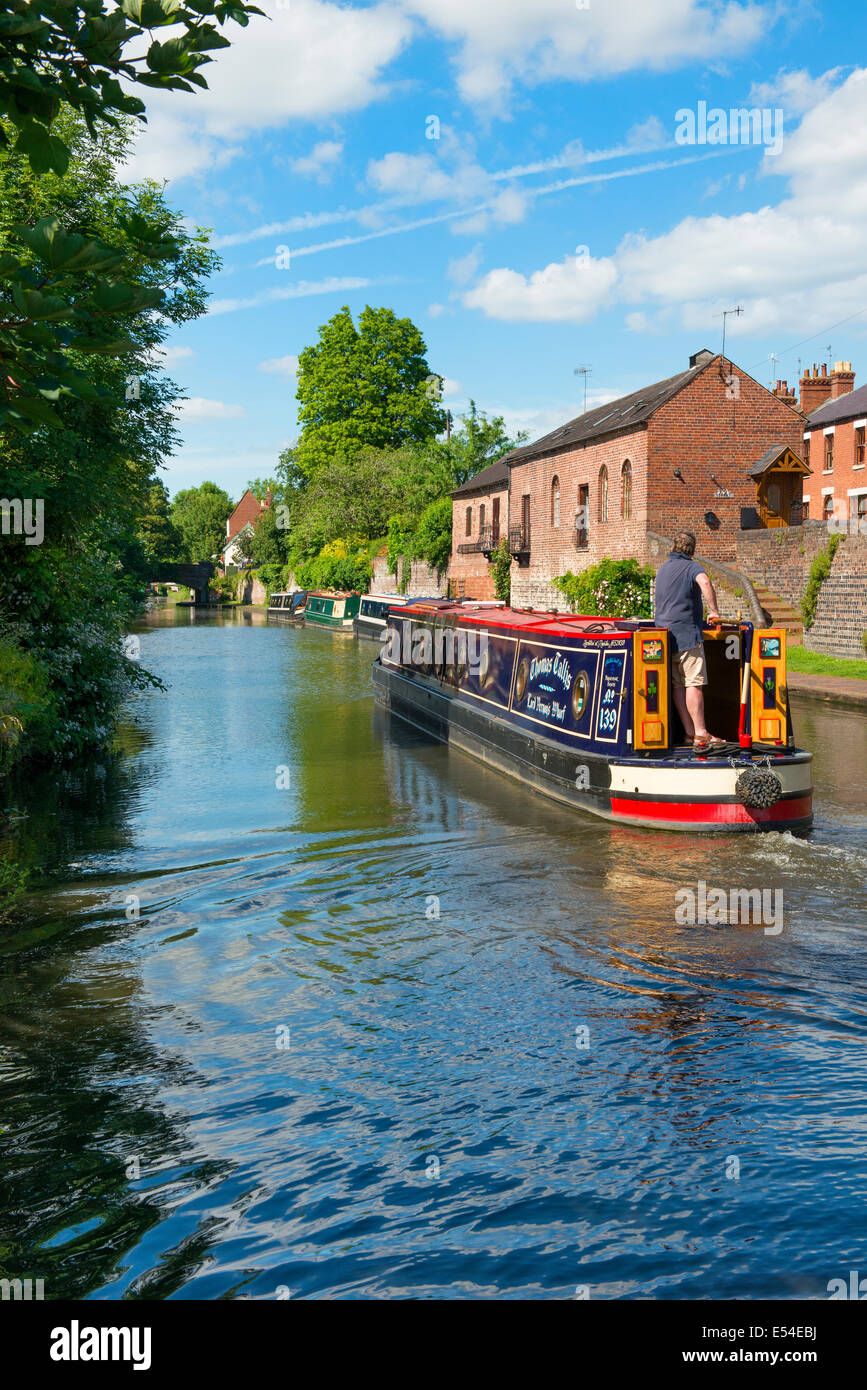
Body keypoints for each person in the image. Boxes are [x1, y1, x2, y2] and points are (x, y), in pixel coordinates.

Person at [653, 530, 724, 749]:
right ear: (692, 551)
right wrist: (714, 611)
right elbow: (705, 582)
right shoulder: (693, 567)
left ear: (672, 548)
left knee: (678, 685)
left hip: (664, 636)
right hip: (686, 634)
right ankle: (702, 733)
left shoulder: (663, 569)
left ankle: (689, 733)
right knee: (694, 683)